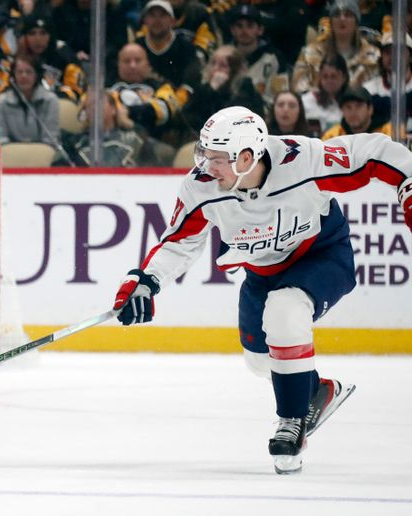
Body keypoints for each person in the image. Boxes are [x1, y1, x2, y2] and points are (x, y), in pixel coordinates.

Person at [111, 105, 412, 474]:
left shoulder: (305, 161)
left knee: (285, 312)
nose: (207, 166)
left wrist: (408, 187)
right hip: (262, 275)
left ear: (247, 157)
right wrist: (145, 281)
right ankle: (316, 392)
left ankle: (292, 424)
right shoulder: (201, 186)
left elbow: (378, 152)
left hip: (322, 255)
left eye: (218, 158)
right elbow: (178, 242)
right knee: (258, 358)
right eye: (204, 154)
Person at [292, 0, 380, 93]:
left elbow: (377, 88)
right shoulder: (310, 53)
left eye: (348, 15)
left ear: (356, 23)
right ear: (331, 23)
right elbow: (299, 88)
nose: (342, 19)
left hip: (358, 105)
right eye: (337, 15)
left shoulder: (373, 55)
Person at [0, 55, 60, 148]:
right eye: (19, 72)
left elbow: (51, 139)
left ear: (37, 75)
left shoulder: (50, 100)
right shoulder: (2, 101)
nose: (24, 76)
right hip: (10, 155)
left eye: (29, 72)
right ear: (13, 76)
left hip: (42, 156)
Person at [301, 53, 349, 138]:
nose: (329, 80)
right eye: (325, 76)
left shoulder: (353, 101)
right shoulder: (307, 100)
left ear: (344, 77)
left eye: (333, 76)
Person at [321, 86, 391, 140]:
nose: (353, 112)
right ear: (342, 110)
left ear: (370, 109)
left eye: (358, 106)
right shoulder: (332, 137)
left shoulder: (390, 133)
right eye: (348, 107)